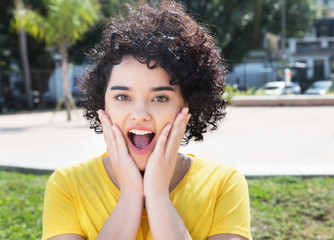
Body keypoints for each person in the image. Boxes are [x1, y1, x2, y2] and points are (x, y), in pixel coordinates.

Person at [42, 2, 252, 240]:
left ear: (187, 106)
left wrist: (157, 195)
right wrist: (131, 194)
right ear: (103, 104)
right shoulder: (68, 185)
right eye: (122, 96)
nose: (139, 114)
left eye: (160, 98)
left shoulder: (223, 184)